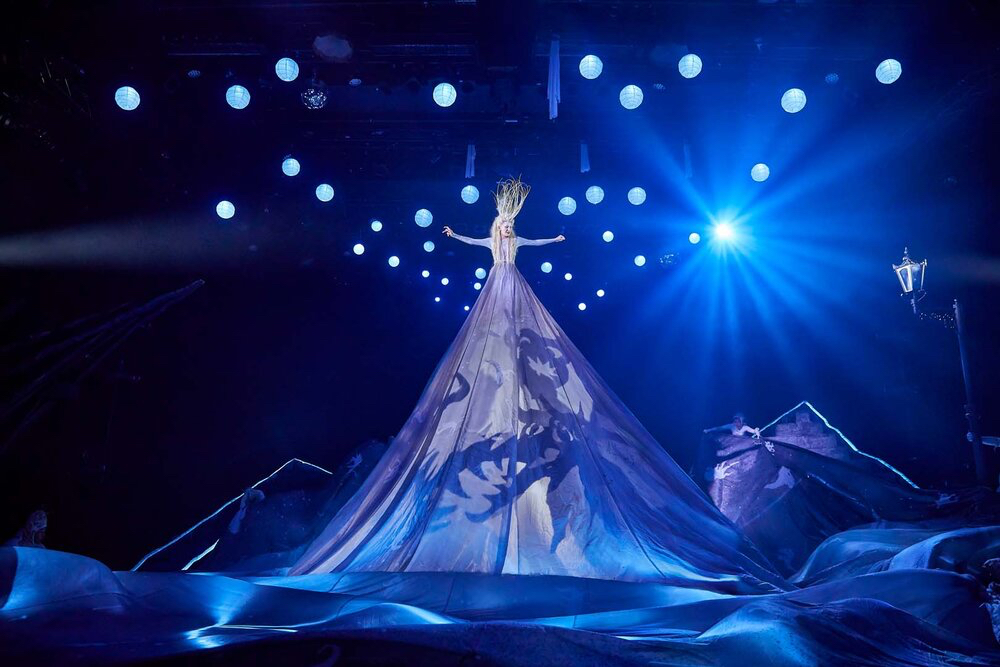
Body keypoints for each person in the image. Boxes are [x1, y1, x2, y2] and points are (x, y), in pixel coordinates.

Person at [288, 178, 779, 592]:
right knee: (491, 336)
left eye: (508, 228)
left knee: (518, 332)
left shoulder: (516, 243)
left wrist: (556, 240)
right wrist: (455, 234)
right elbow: (472, 242)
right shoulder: (492, 244)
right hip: (496, 287)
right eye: (502, 227)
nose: (505, 231)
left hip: (512, 287)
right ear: (496, 228)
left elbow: (536, 242)